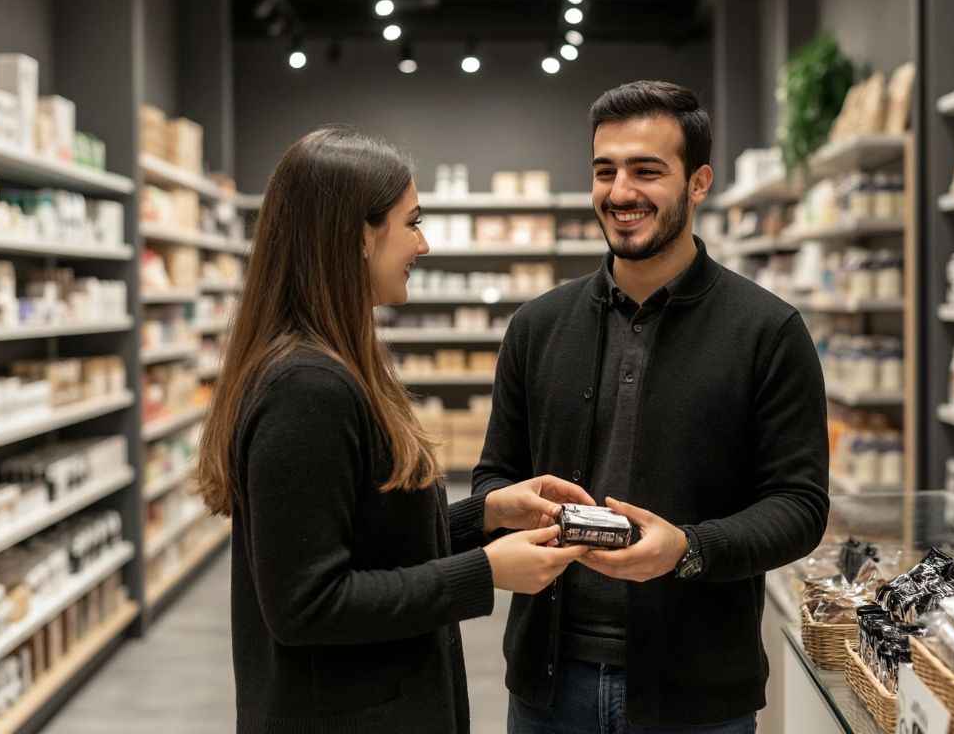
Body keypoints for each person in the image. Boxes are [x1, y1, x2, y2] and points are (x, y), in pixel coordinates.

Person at [195, 126, 594, 734]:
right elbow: (306, 604)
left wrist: (486, 515)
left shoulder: (334, 364)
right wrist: (486, 572)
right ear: (359, 235)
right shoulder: (306, 388)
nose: (424, 244)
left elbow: (372, 542)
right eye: (412, 223)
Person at [473, 81, 831, 732]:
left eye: (647, 170)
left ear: (698, 183)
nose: (620, 192)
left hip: (696, 693)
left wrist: (689, 549)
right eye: (605, 170)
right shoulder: (537, 326)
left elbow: (800, 507)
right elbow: (493, 478)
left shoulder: (768, 331)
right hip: (548, 687)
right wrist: (515, 510)